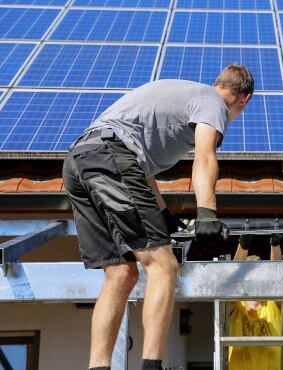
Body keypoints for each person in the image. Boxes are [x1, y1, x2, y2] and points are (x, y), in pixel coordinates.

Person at [62, 64, 254, 370]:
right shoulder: (213, 102)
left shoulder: (182, 96)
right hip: (111, 158)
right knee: (164, 267)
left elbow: (140, 170)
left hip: (79, 161)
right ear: (243, 99)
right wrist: (206, 212)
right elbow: (205, 157)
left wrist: (164, 215)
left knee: (121, 274)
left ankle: (98, 367)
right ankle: (151, 367)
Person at [228, 233, 283, 370]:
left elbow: (278, 280)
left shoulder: (273, 305)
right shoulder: (236, 306)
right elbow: (233, 285)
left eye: (259, 275)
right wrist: (243, 245)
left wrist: (275, 244)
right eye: (250, 275)